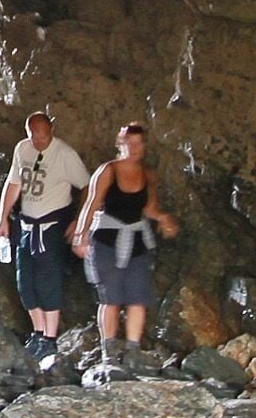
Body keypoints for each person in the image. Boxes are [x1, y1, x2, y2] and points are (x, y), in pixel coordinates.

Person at [71, 122, 178, 351]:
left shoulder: (147, 175)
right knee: (110, 298)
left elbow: (149, 208)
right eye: (129, 143)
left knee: (138, 298)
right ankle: (108, 351)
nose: (134, 148)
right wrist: (80, 235)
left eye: (139, 143)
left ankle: (132, 350)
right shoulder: (108, 170)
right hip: (107, 240)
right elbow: (91, 204)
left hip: (137, 242)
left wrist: (163, 218)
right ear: (120, 144)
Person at [0, 112, 91, 361]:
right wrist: (2, 217)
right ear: (27, 132)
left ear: (51, 130)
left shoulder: (64, 154)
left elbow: (88, 187)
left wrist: (79, 221)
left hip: (52, 226)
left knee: (49, 280)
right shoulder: (22, 149)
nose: (38, 141)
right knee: (25, 281)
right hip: (26, 225)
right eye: (34, 136)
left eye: (43, 136)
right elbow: (14, 184)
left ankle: (50, 337)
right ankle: (38, 332)